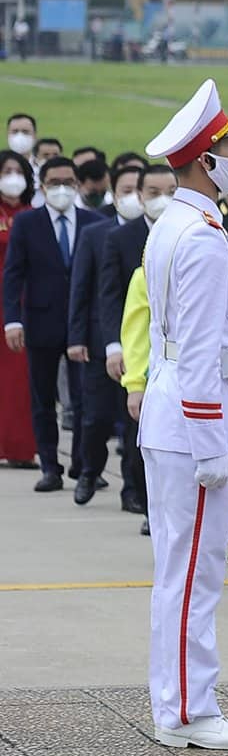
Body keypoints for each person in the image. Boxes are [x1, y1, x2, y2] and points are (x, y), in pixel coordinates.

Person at [137, 79, 228, 750]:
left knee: (178, 573)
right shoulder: (203, 237)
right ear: (200, 159)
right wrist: (213, 441)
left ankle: (181, 701)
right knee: (194, 576)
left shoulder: (176, 223)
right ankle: (189, 711)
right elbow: (192, 353)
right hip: (194, 427)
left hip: (175, 420)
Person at [3, 154, 86, 490]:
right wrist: (12, 320)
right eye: (54, 184)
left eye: (68, 183)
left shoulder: (92, 222)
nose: (62, 189)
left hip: (82, 325)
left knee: (84, 401)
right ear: (42, 186)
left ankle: (83, 464)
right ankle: (50, 465)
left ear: (77, 185)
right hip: (40, 321)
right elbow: (13, 274)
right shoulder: (27, 223)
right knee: (43, 399)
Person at [64, 161, 144, 503]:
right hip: (102, 341)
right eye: (125, 191)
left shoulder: (158, 234)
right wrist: (77, 337)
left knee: (133, 424)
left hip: (141, 344)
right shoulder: (96, 233)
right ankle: (89, 470)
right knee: (96, 417)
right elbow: (83, 290)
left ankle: (132, 491)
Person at [102, 163, 176, 517]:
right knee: (143, 440)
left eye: (171, 193)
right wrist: (130, 370)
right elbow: (116, 303)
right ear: (140, 195)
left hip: (187, 369)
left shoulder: (196, 233)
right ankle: (143, 499)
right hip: (149, 363)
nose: (163, 201)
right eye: (154, 193)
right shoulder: (122, 241)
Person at [0, 149, 40, 466]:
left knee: (20, 380)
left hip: (23, 305)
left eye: (18, 170)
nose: (12, 176)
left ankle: (20, 446)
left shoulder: (32, 215)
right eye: (6, 170)